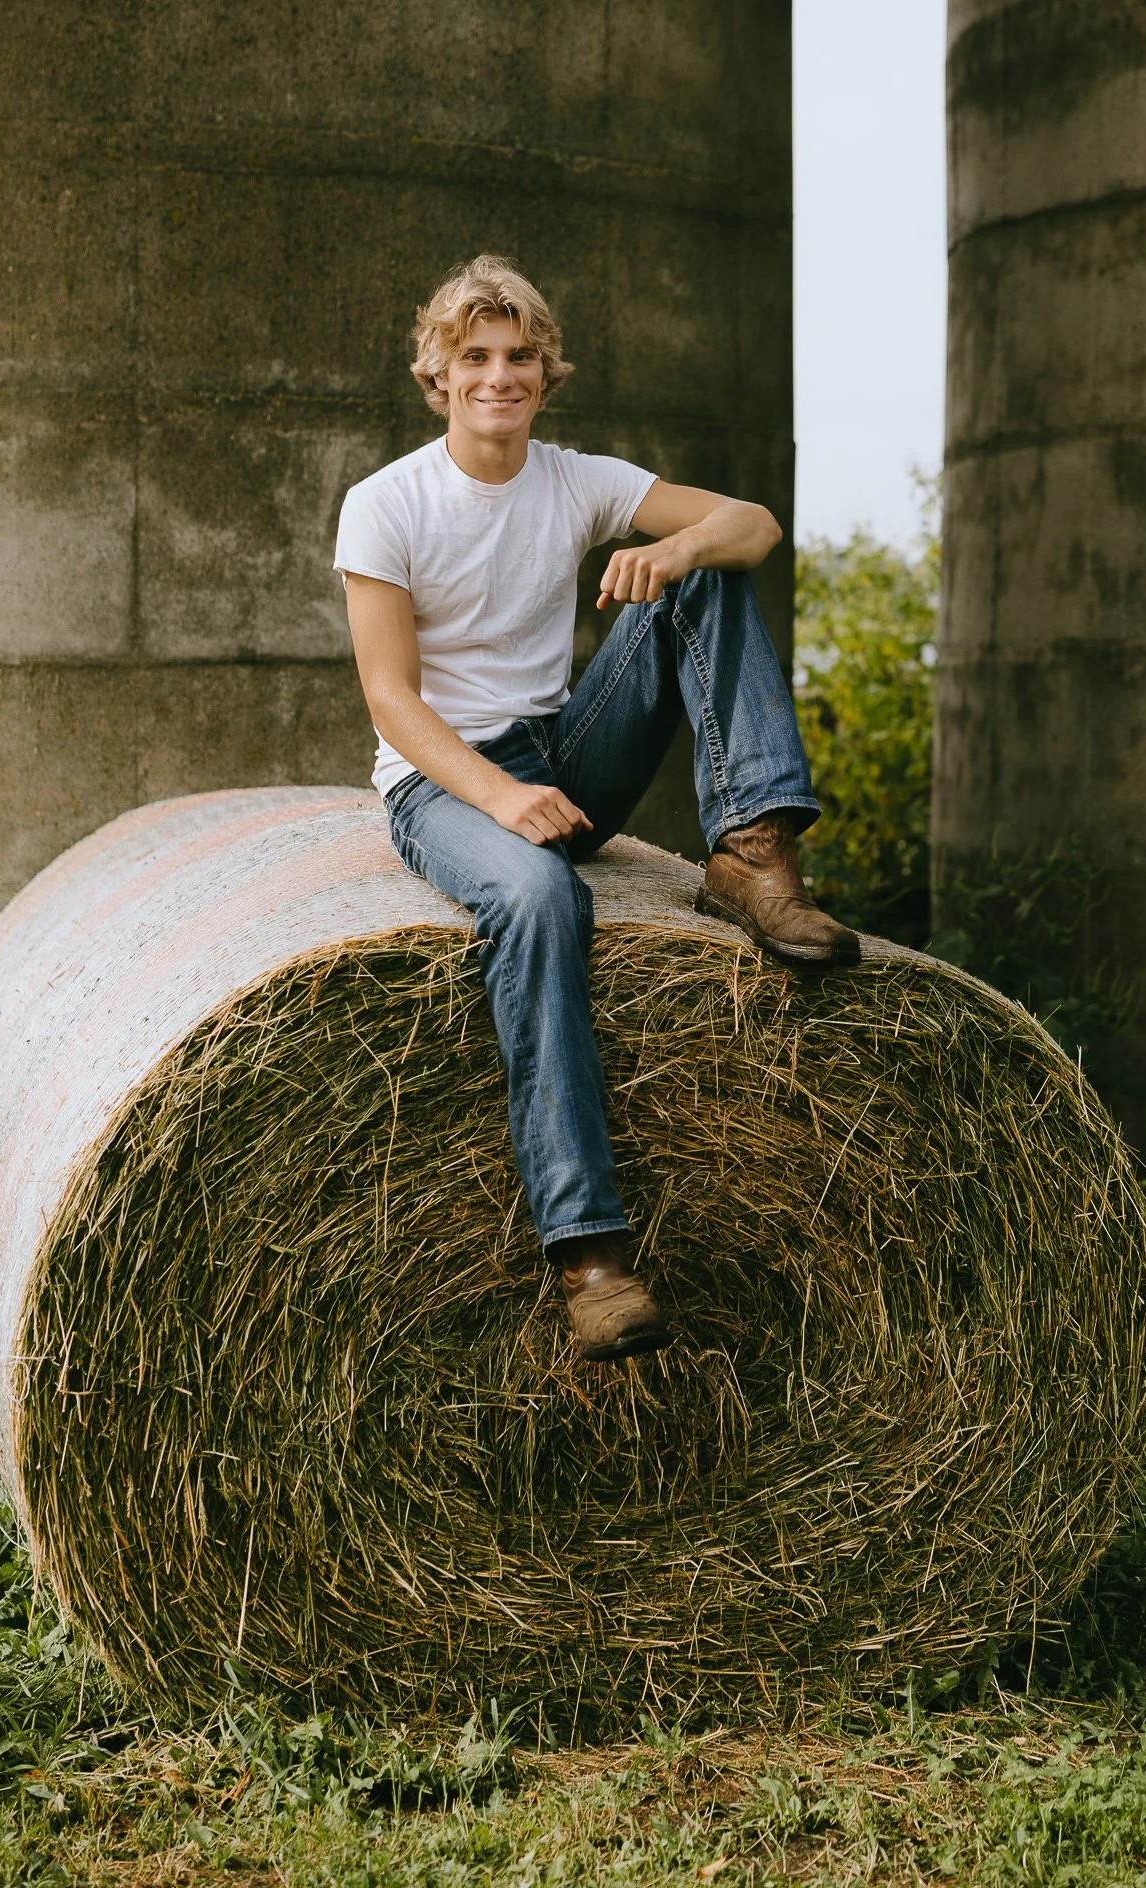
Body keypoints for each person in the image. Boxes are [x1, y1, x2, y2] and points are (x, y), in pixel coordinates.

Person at [334, 255, 858, 1362]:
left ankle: (752, 852)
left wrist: (673, 545)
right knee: (537, 899)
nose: (499, 375)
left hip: (560, 748)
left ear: (545, 370)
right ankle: (590, 1250)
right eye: (475, 357)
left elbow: (754, 522)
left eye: (519, 355)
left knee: (708, 567)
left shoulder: (576, 480)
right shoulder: (386, 503)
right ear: (438, 373)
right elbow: (390, 698)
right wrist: (499, 795)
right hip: (442, 776)